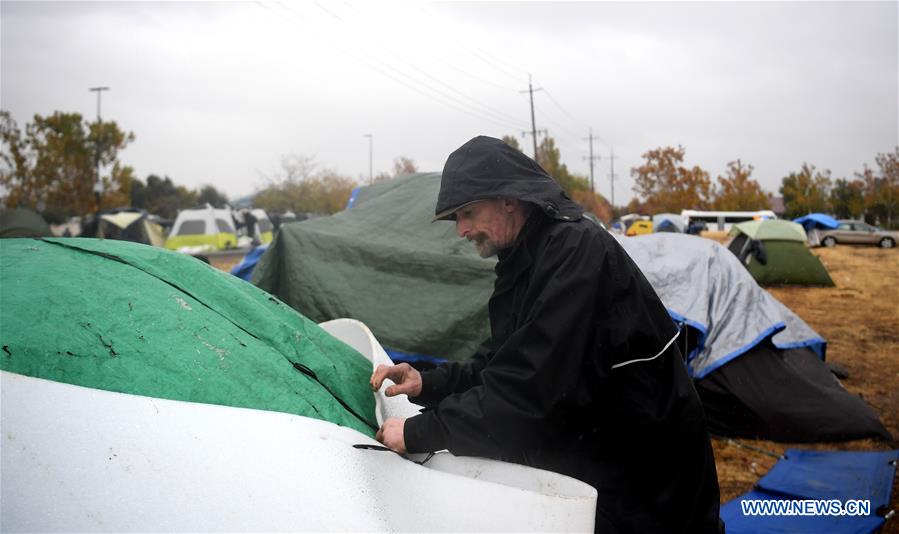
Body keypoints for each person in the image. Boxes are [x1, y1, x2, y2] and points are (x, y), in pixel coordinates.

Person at [370, 135, 723, 533]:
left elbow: (529, 389)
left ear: (509, 199)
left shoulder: (576, 253)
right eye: (456, 219)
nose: (462, 230)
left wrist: (419, 432)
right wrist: (428, 383)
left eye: (468, 213)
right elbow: (505, 360)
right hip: (597, 463)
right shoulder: (526, 258)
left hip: (648, 481)